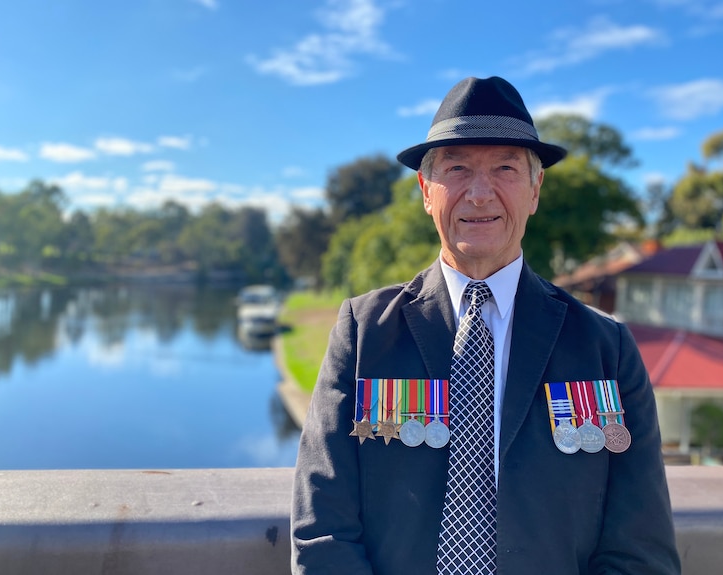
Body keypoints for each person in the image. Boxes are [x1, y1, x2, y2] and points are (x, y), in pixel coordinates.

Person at [290, 76, 680, 575]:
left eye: (505, 168)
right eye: (456, 168)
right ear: (426, 191)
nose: (479, 193)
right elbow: (322, 530)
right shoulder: (364, 334)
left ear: (535, 189)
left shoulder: (607, 349)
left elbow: (641, 548)